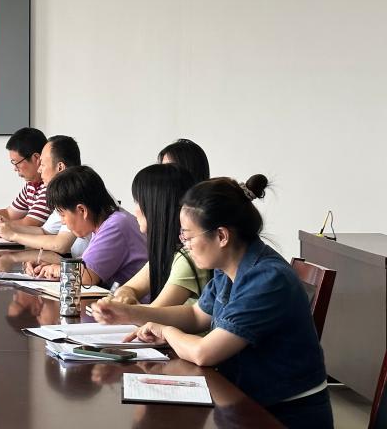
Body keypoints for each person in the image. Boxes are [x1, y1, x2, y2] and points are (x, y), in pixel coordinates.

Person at [92, 176, 332, 429]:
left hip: (282, 415)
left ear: (221, 236)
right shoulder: (228, 268)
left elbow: (204, 353)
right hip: (243, 400)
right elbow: (196, 315)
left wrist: (166, 331)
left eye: (187, 236)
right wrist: (130, 313)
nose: (184, 245)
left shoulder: (267, 279)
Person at [23, 166, 147, 288]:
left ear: (82, 210)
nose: (62, 222)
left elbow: (88, 275)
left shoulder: (115, 226)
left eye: (63, 215)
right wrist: (49, 265)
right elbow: (85, 263)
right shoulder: (107, 223)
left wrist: (56, 270)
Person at [107, 164, 212, 307]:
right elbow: (129, 288)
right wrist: (125, 294)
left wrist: (121, 306)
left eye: (137, 201)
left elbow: (154, 313)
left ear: (155, 206)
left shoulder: (187, 257)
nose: (134, 209)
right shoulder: (167, 252)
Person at [0, 135, 89, 255]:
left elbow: (60, 245)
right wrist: (9, 226)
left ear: (60, 167)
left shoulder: (78, 191)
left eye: (42, 164)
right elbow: (44, 232)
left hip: (87, 265)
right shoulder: (65, 192)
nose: (39, 170)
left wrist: (13, 235)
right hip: (75, 263)